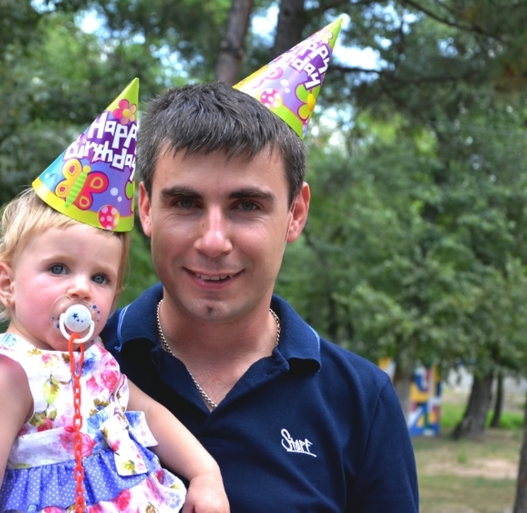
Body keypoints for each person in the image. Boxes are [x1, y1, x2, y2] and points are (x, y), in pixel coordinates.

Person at [101, 20, 419, 513]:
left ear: (296, 213)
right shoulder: (66, 366)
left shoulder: (361, 401)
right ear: (144, 207)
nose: (213, 240)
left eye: (246, 205)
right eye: (185, 202)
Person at [0, 80, 229, 513]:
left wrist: (206, 473)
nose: (81, 288)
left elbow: (151, 415)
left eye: (100, 277)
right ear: (7, 284)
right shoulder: (8, 373)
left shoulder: (95, 359)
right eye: (58, 268)